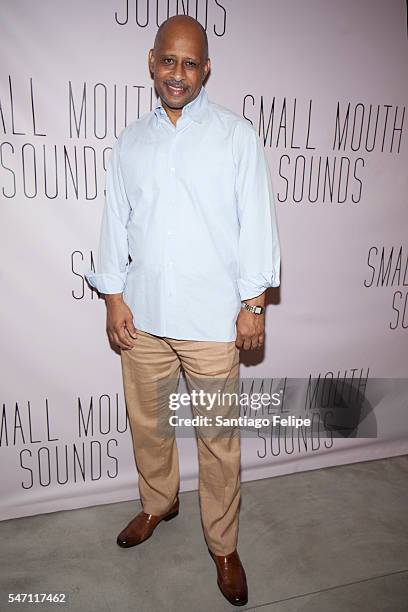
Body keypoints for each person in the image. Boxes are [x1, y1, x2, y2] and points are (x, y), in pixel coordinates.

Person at [85, 14, 280, 607]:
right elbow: (115, 223)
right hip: (142, 319)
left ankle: (223, 545)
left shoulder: (235, 136)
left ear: (206, 69)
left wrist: (253, 305)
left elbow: (258, 227)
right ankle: (158, 503)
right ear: (151, 61)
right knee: (149, 426)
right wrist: (115, 297)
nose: (178, 73)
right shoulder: (130, 141)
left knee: (217, 439)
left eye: (190, 63)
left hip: (213, 321)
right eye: (169, 60)